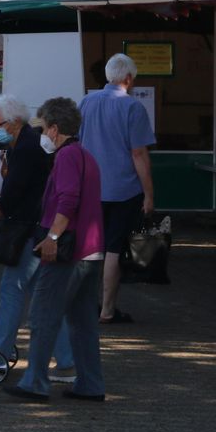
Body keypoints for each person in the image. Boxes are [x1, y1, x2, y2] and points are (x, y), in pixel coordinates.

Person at [0, 96, 74, 380]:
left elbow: (9, 198)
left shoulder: (26, 149)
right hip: (33, 228)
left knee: (13, 291)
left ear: (14, 122)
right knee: (39, 297)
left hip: (27, 230)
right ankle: (67, 360)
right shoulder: (26, 145)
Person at [6, 97, 106, 403]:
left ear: (54, 129)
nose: (43, 135)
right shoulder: (86, 155)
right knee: (83, 321)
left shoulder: (66, 157)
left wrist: (51, 236)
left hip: (68, 251)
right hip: (91, 250)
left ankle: (35, 381)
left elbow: (67, 200)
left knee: (44, 315)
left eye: (44, 128)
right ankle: (90, 383)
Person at [79, 53, 155, 324]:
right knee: (113, 249)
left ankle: (85, 303)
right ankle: (107, 309)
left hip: (89, 189)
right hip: (123, 190)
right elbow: (138, 154)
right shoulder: (133, 108)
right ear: (128, 78)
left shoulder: (86, 102)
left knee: (89, 248)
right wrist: (148, 194)